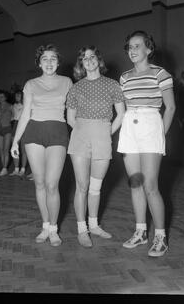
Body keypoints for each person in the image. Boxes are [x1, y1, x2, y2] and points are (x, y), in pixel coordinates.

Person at [117, 30, 176, 257]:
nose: (132, 50)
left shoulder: (160, 74)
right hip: (129, 127)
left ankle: (160, 237)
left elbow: (170, 108)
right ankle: (141, 232)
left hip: (152, 124)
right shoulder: (124, 77)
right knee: (135, 183)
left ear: (148, 49)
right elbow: (122, 109)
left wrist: (160, 134)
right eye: (130, 47)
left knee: (151, 185)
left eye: (137, 46)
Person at [10, 44, 73, 247]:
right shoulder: (30, 84)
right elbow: (25, 114)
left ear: (58, 62)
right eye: (44, 59)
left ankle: (54, 228)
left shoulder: (66, 82)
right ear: (39, 62)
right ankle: (45, 225)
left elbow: (72, 114)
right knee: (39, 183)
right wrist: (15, 140)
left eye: (53, 58)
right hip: (34, 133)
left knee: (52, 184)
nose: (49, 62)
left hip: (58, 132)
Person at [66, 46, 125, 248]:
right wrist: (86, 132)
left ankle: (94, 225)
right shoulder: (76, 87)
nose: (88, 60)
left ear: (99, 60)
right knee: (81, 186)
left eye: (92, 56)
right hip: (80, 137)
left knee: (96, 188)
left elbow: (121, 114)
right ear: (81, 64)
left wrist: (104, 133)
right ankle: (82, 229)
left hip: (103, 136)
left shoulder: (112, 84)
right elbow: (70, 118)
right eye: (84, 57)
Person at [0, 90, 13, 176]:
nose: (0, 98)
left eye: (2, 96)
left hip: (7, 129)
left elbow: (14, 117)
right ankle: (3, 168)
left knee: (6, 150)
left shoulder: (10, 106)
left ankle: (5, 168)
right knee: (1, 150)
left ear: (5, 97)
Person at [9, 90, 28, 176]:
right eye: (16, 96)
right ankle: (16, 169)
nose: (17, 97)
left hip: (25, 126)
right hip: (15, 125)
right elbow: (12, 117)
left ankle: (23, 170)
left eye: (19, 95)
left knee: (24, 150)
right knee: (15, 147)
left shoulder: (27, 105)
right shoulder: (13, 106)